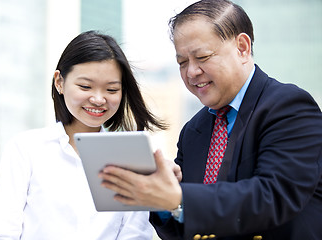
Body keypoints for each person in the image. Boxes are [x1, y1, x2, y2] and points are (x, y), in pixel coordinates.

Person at [99, 1, 322, 239]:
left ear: (242, 47)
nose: (191, 72)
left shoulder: (289, 106)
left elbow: (272, 196)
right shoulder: (193, 131)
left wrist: (179, 198)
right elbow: (187, 227)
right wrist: (162, 200)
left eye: (202, 57)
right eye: (182, 62)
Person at [0, 30, 168, 240]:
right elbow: (2, 232)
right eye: (85, 86)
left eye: (111, 89)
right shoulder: (25, 148)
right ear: (59, 82)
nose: (99, 99)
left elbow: (135, 234)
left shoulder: (130, 156)